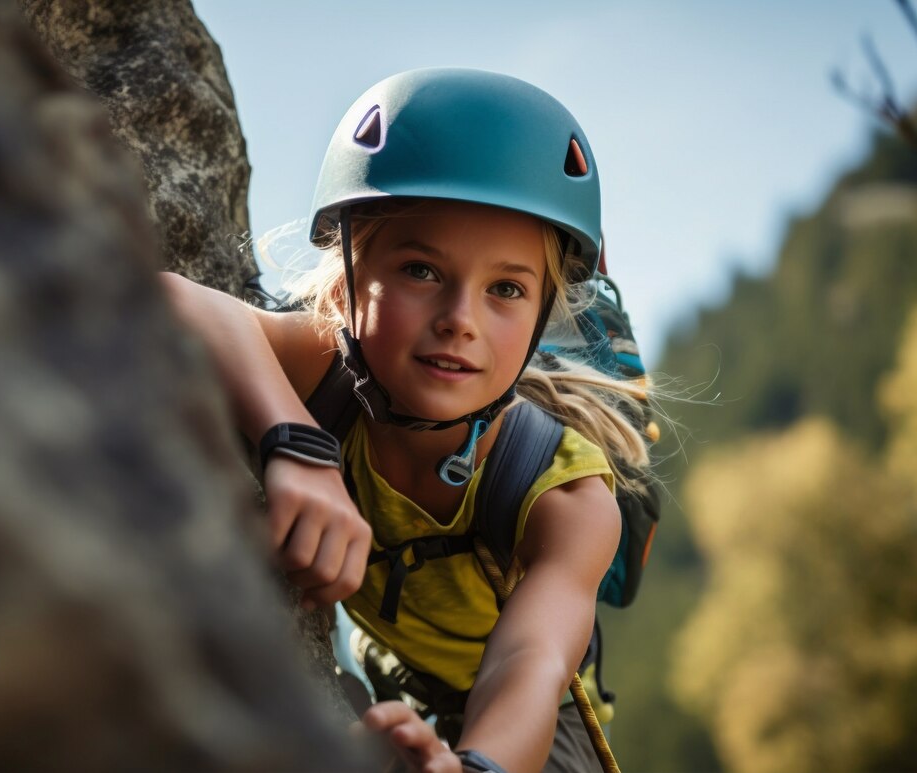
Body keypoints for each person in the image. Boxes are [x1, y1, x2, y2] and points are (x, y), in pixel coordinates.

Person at [162, 68, 652, 773]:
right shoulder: (327, 376)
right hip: (394, 683)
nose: (459, 320)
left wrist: (473, 765)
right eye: (422, 270)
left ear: (546, 311)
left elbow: (531, 662)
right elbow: (173, 299)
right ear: (350, 275)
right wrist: (298, 445)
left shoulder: (567, 496)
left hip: (539, 733)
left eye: (506, 289)